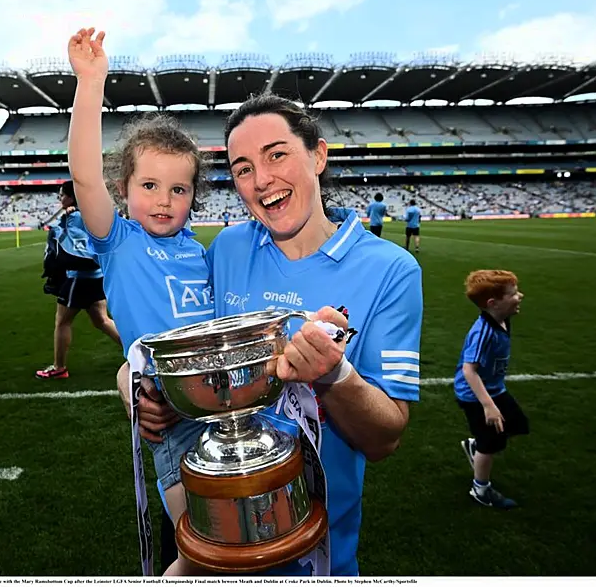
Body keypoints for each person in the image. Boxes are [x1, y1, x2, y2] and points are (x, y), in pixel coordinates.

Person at [120, 94, 423, 577]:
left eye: (276, 154)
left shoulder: (391, 270)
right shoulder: (227, 249)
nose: (261, 180)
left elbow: (385, 439)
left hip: (313, 551)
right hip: (208, 521)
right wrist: (133, 383)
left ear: (318, 156)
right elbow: (170, 341)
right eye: (242, 168)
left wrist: (334, 374)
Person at [67, 27, 214, 576]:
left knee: (234, 544)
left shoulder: (200, 252)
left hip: (221, 407)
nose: (163, 200)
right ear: (124, 188)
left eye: (178, 189)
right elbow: (83, 175)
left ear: (194, 196)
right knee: (199, 550)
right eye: (149, 186)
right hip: (170, 418)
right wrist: (91, 83)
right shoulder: (120, 242)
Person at [455, 270, 528, 509]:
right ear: (493, 304)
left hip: (495, 388)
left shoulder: (503, 318)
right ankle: (481, 489)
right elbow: (469, 370)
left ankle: (476, 446)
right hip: (475, 395)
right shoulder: (483, 332)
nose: (520, 296)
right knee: (491, 443)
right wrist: (488, 406)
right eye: (513, 293)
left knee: (517, 424)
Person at [36, 181, 122, 379]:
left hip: (78, 278)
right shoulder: (91, 213)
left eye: (62, 195)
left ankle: (59, 368)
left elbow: (65, 244)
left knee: (62, 322)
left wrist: (66, 219)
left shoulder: (72, 218)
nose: (60, 199)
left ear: (71, 197)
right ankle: (139, 355)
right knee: (101, 320)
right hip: (97, 275)